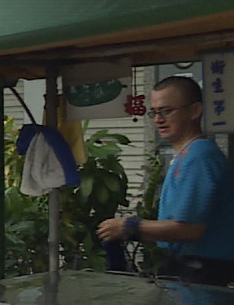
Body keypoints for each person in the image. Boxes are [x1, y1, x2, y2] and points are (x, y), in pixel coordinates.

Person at [97, 76, 234, 286]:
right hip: (187, 270)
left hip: (204, 272)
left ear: (195, 111)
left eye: (167, 111)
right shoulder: (185, 154)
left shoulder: (200, 155)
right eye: (154, 112)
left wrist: (129, 227)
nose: (158, 119)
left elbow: (189, 229)